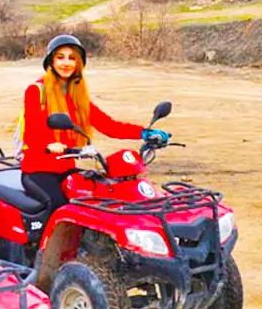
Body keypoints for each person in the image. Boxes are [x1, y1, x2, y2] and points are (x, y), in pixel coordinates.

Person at [19, 34, 170, 207]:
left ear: (78, 63)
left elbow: (108, 125)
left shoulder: (76, 96)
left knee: (96, 198)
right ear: (51, 62)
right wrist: (49, 145)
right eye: (60, 58)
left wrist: (143, 132)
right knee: (60, 207)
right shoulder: (36, 91)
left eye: (72, 58)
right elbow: (31, 133)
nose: (66, 63)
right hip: (38, 171)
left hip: (65, 169)